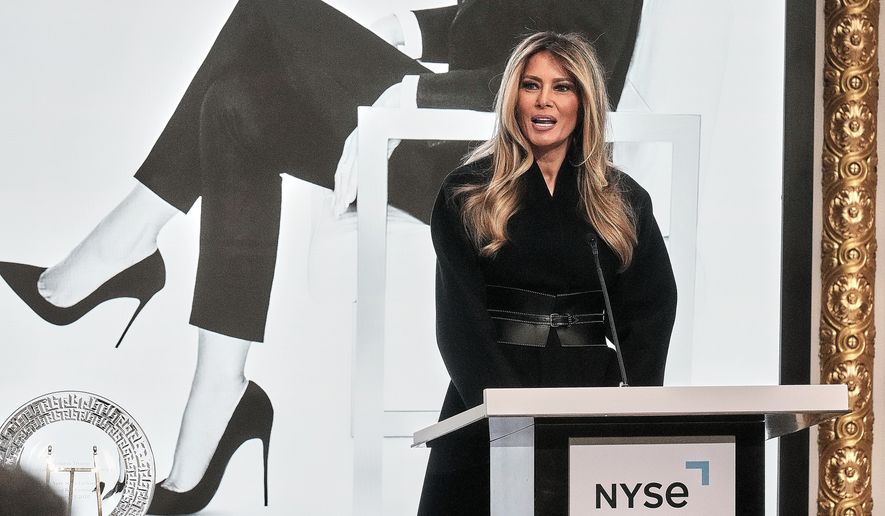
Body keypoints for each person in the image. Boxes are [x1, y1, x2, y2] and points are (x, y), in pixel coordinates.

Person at [0, 1, 643, 514]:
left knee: (265, 11)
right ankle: (221, 388)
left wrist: (419, 97)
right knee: (235, 108)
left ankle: (127, 246)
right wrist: (407, 28)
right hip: (454, 143)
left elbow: (585, 81)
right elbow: (498, 27)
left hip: (505, 173)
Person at [417, 31, 677, 515]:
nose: (544, 100)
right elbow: (460, 324)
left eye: (562, 87)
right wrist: (512, 422)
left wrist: (631, 414)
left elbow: (652, 311)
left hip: (588, 403)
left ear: (584, 101)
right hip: (487, 401)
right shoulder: (467, 193)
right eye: (530, 85)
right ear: (512, 97)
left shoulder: (623, 200)